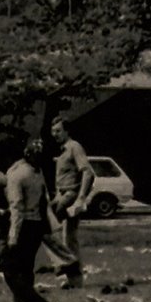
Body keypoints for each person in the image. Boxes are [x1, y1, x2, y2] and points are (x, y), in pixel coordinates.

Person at [0, 138, 55, 302]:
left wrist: (13, 236)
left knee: (9, 270)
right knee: (25, 270)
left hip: (23, 225)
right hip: (36, 225)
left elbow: (16, 207)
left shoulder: (17, 174)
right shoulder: (37, 173)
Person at [42, 117, 96, 287]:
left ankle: (62, 264)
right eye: (53, 131)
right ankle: (75, 279)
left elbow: (88, 172)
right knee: (70, 237)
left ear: (67, 131)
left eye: (58, 131)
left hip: (69, 194)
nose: (54, 134)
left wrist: (80, 198)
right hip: (61, 194)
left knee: (43, 224)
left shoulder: (74, 147)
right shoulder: (63, 150)